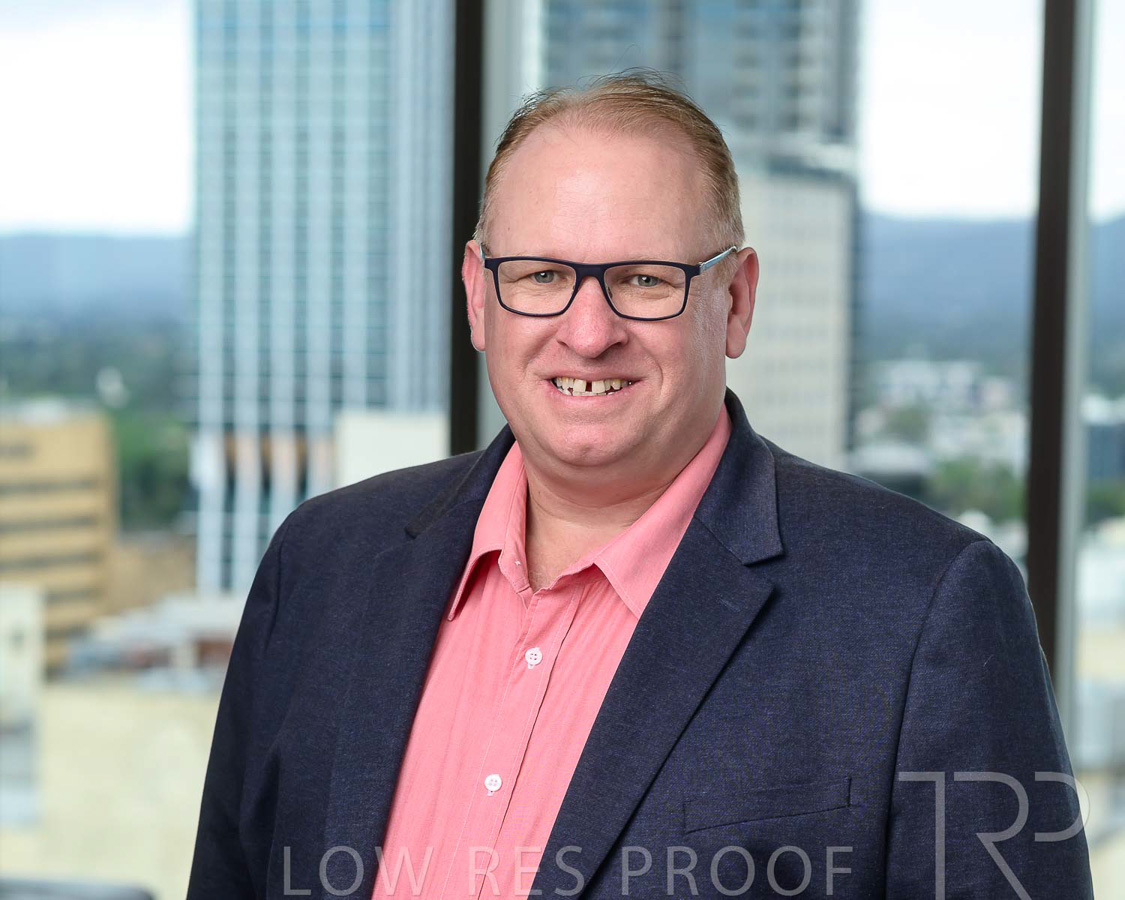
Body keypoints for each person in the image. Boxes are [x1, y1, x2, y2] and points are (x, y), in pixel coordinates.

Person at [187, 73, 1093, 899]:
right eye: (541, 275)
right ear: (477, 294)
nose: (588, 333)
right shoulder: (322, 563)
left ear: (734, 301)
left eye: (643, 280)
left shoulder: (923, 608)